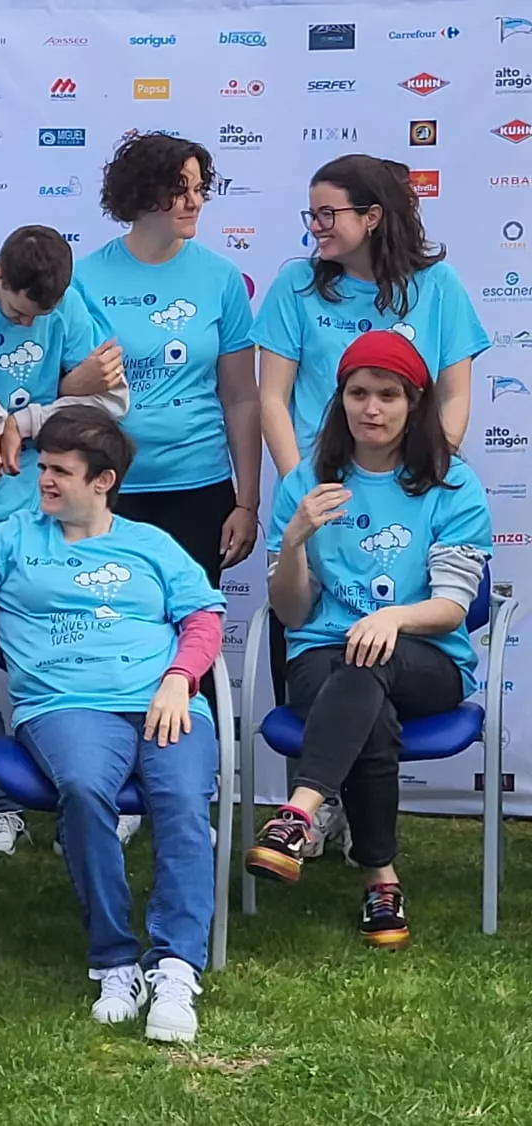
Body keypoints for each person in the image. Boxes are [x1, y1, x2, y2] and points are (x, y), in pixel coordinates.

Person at [0, 406, 225, 1043]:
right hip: (63, 703)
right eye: (42, 466)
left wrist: (178, 680)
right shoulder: (13, 538)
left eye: (59, 471)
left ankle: (175, 966)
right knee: (82, 790)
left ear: (103, 481)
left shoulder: (151, 544)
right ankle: (114, 960)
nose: (43, 480)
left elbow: (203, 621)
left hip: (165, 700)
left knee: (185, 800)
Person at [244, 331, 491, 950]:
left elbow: (452, 607)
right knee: (361, 684)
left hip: (428, 659)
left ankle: (299, 810)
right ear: (341, 400)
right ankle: (380, 876)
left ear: (414, 404)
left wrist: (394, 619)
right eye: (358, 393)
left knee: (368, 659)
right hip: (323, 658)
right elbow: (292, 610)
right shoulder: (307, 481)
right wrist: (294, 539)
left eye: (387, 395)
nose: (371, 408)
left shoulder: (452, 486)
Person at [0, 223, 128, 856]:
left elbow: (109, 405)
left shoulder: (69, 303)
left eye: (42, 318)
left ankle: (88, 790)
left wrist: (24, 421)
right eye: (20, 313)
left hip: (44, 515)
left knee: (61, 649)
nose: (30, 327)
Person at [71, 134, 260, 589]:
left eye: (199, 188)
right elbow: (56, 393)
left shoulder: (222, 278)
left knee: (192, 635)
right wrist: (79, 381)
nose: (194, 201)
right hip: (104, 488)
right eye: (179, 188)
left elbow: (241, 398)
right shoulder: (82, 279)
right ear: (140, 193)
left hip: (199, 487)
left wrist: (247, 503)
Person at [255, 154, 488, 475]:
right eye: (311, 215)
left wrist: (432, 473)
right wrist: (299, 485)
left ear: (372, 217)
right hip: (321, 482)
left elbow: (455, 397)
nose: (314, 226)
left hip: (410, 482)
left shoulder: (439, 284)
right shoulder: (295, 284)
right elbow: (272, 400)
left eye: (327, 214)